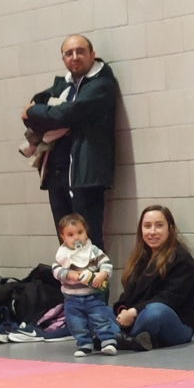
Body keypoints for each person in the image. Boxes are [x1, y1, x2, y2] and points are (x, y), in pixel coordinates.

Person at [22, 36, 117, 249]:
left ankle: (95, 274)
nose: (74, 57)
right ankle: (68, 274)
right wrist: (38, 112)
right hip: (56, 171)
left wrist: (37, 112)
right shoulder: (62, 86)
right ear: (63, 59)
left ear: (92, 55)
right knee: (66, 243)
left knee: (88, 243)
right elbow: (35, 106)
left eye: (80, 51)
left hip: (84, 175)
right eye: (69, 53)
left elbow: (68, 113)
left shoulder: (101, 84)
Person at [114, 205, 194, 350]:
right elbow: (127, 295)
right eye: (147, 226)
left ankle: (116, 338)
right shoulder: (140, 259)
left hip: (173, 324)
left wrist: (133, 312)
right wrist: (122, 311)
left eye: (159, 226)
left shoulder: (182, 260)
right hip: (136, 319)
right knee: (97, 311)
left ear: (170, 229)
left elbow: (169, 299)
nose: (152, 232)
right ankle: (130, 339)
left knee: (156, 312)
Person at [52, 213, 118, 357]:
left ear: (86, 232)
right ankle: (84, 344)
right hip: (71, 299)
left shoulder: (93, 251)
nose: (76, 237)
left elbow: (106, 264)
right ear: (63, 237)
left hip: (93, 296)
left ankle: (108, 341)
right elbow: (55, 270)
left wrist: (101, 274)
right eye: (70, 235)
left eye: (80, 232)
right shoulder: (63, 254)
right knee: (76, 322)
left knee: (100, 319)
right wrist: (68, 274)